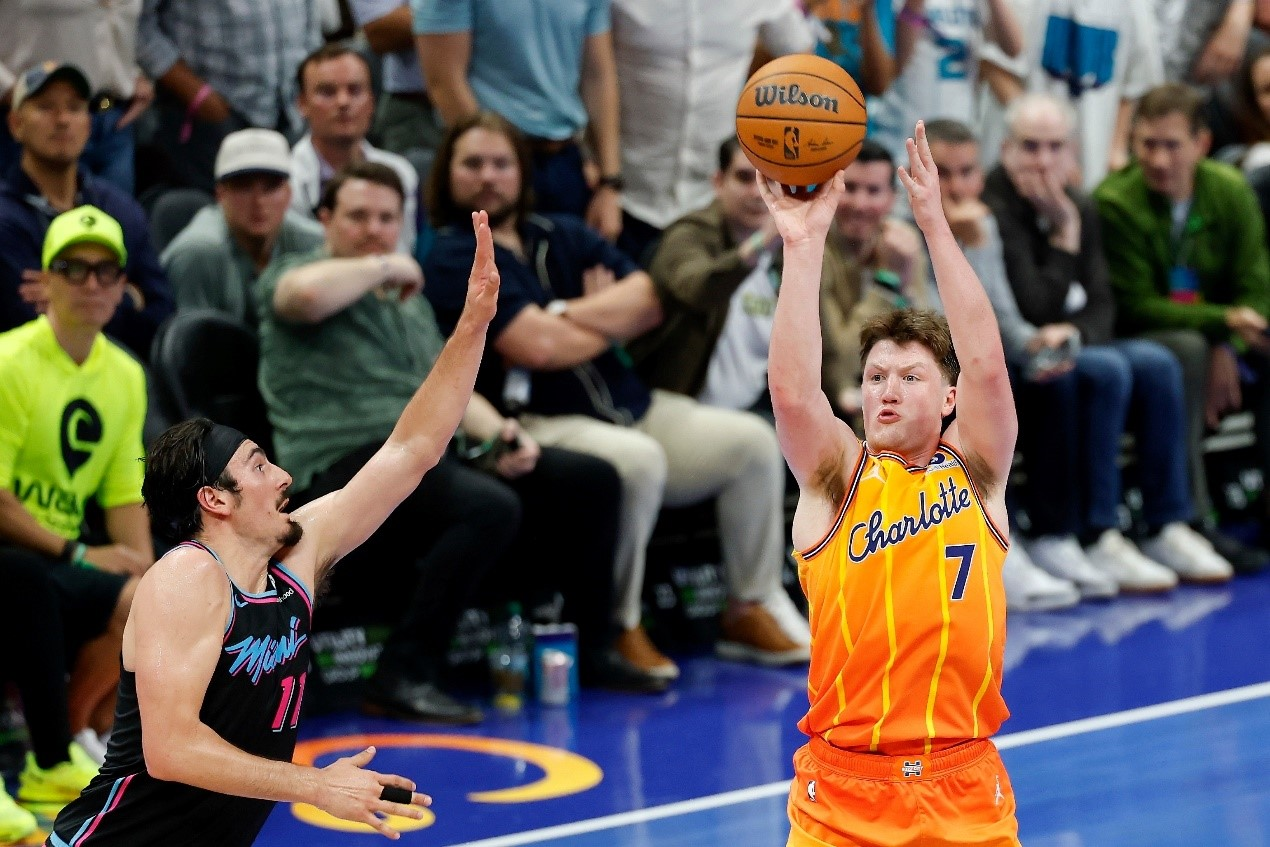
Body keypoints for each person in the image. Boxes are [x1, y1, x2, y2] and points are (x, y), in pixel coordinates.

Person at [45, 208, 501, 847]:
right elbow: (171, 749)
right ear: (215, 499)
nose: (284, 476)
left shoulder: (295, 558)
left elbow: (412, 449)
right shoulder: (185, 579)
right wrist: (315, 786)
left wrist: (473, 324)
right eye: (258, 466)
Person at [424, 111, 812, 681]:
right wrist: (603, 321)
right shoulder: (451, 255)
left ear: (521, 172)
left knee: (752, 443)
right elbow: (537, 347)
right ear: (447, 173)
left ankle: (748, 607)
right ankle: (620, 625)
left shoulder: (562, 231)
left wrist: (561, 314)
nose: (488, 176)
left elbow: (650, 302)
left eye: (501, 163)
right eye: (472, 164)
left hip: (631, 405)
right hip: (536, 419)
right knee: (639, 460)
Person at [259, 161, 664, 707]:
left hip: (419, 453)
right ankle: (403, 672)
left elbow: (450, 384)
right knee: (487, 507)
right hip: (340, 460)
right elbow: (303, 297)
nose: (374, 229)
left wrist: (503, 436)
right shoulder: (296, 273)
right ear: (325, 219)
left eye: (386, 219)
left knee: (590, 480)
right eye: (358, 217)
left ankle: (593, 648)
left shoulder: (405, 303)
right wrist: (387, 264)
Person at [769, 121, 1021, 847]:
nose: (887, 389)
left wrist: (935, 226)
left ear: (949, 398)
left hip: (963, 782)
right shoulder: (837, 480)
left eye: (911, 377)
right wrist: (802, 246)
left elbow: (989, 364)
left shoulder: (975, 470)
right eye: (876, 375)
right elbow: (793, 395)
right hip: (843, 790)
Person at [981, 94, 1241, 586]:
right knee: (1106, 369)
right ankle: (1091, 531)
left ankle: (1166, 522)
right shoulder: (996, 207)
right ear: (1005, 148)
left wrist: (1076, 332)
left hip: (1067, 341)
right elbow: (1034, 307)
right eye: (1030, 147)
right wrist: (1064, 234)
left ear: (1072, 151)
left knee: (1157, 362)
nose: (1043, 161)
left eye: (1055, 147)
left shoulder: (1078, 202)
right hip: (1016, 350)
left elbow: (1103, 304)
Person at [0, 207, 153, 819]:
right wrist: (81, 553)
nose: (91, 283)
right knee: (22, 577)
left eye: (105, 271)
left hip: (58, 554)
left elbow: (124, 493)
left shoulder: (125, 374)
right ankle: (53, 750)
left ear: (123, 286)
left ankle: (69, 744)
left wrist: (149, 574)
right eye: (73, 269)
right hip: (20, 551)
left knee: (149, 597)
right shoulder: (9, 361)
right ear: (45, 281)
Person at [1095, 82, 1270, 557]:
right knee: (1186, 353)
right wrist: (1222, 324)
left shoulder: (1230, 191)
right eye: (1147, 144)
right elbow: (1135, 304)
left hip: (1218, 336)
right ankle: (1192, 517)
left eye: (1171, 145)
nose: (1158, 159)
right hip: (1143, 336)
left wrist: (1229, 344)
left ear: (1202, 143)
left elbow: (1256, 285)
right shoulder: (1116, 201)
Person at [635, 136, 856, 417]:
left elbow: (819, 337)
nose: (756, 192)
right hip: (677, 403)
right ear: (718, 182)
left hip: (757, 408)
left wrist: (843, 393)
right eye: (744, 178)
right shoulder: (690, 234)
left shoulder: (785, 254)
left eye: (769, 181)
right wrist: (761, 243)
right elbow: (695, 289)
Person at [608, 0, 814, 263]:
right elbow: (591, 66)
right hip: (627, 192)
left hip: (714, 199)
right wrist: (604, 176)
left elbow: (801, 57)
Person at [0, 62, 174, 361]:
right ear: (16, 125)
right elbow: (26, 318)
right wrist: (128, 297)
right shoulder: (4, 217)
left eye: (75, 108)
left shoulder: (120, 208)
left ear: (89, 124)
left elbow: (162, 314)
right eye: (45, 107)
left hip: (120, 372)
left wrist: (67, 298)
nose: (62, 120)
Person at [411, 0, 624, 240]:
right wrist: (497, 164)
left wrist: (610, 182)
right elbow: (444, 82)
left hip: (564, 161)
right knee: (488, 263)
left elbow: (598, 75)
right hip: (490, 169)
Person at [136, 0, 322, 192]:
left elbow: (311, 19)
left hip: (290, 110)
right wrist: (200, 97)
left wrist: (311, 83)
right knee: (213, 205)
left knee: (289, 202)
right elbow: (138, 26)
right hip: (210, 116)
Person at [162, 128, 323, 326]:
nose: (259, 201)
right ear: (220, 194)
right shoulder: (198, 253)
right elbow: (190, 339)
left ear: (288, 194)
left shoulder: (315, 243)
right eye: (243, 186)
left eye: (271, 187)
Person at [0, 4, 153, 193]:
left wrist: (133, 74)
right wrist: (7, 88)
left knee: (115, 211)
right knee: (31, 211)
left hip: (114, 122)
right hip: (33, 123)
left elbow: (106, 30)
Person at [289, 44, 419, 254]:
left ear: (372, 102)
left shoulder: (400, 173)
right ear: (302, 104)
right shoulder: (285, 181)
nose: (343, 102)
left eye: (355, 90)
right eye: (327, 92)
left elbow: (402, 252)